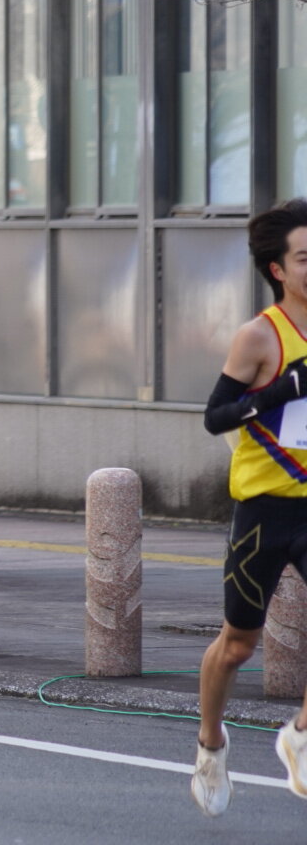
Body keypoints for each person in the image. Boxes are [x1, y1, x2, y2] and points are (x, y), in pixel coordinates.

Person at [190, 199, 307, 816]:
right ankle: (211, 744)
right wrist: (282, 389)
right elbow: (215, 417)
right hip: (264, 510)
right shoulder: (261, 335)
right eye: (305, 258)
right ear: (278, 268)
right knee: (238, 644)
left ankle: (300, 736)